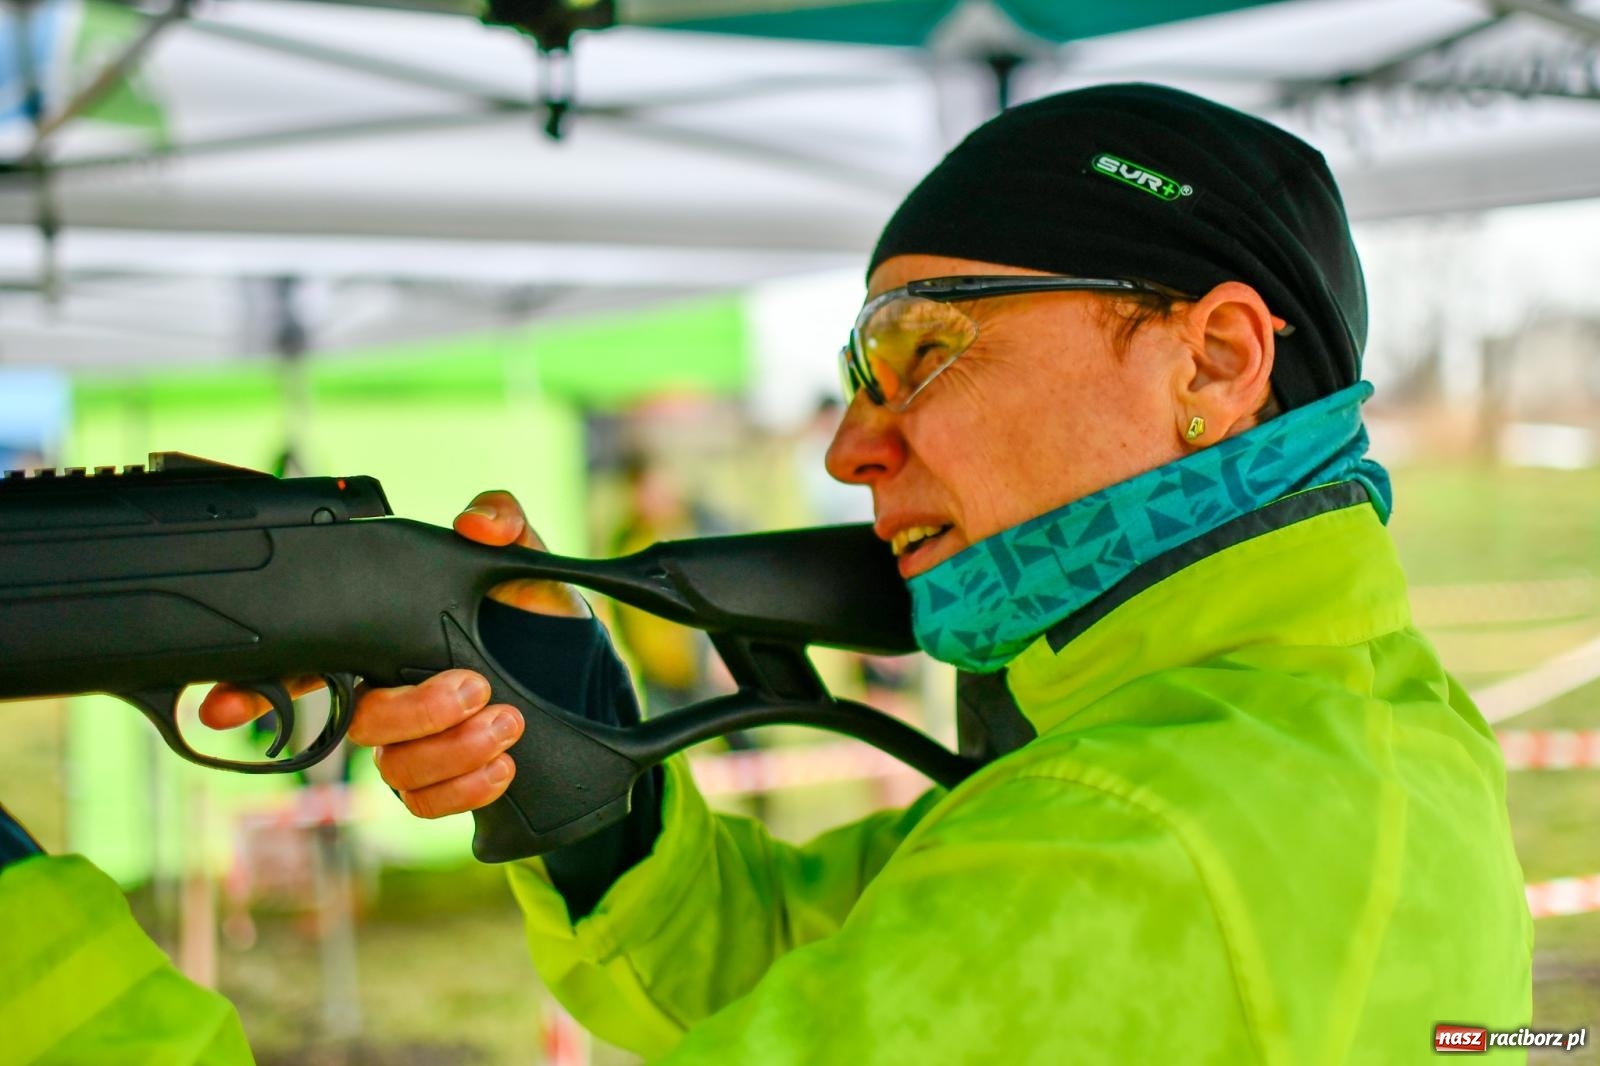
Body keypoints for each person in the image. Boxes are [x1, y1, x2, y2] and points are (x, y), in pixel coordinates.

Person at [3, 83, 1532, 1062]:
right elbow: (803, 974)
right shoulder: (1296, 739)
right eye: (858, 368)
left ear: (1215, 358)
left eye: (920, 351)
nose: (851, 444)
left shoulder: (1143, 834)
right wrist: (591, 795)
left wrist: (28, 946)